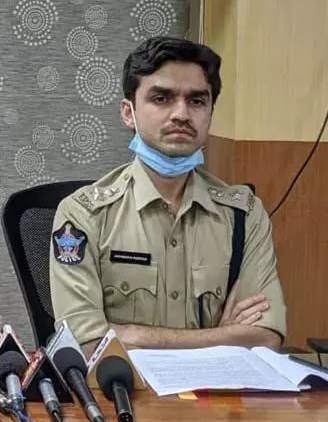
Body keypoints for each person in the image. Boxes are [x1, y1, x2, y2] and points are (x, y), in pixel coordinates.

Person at [49, 36, 286, 354]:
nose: (182, 114)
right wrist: (225, 335)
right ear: (128, 113)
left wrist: (126, 333)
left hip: (216, 397)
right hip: (123, 395)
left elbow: (266, 336)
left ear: (210, 113)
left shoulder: (244, 214)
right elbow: (87, 342)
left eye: (197, 101)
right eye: (162, 98)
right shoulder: (82, 214)